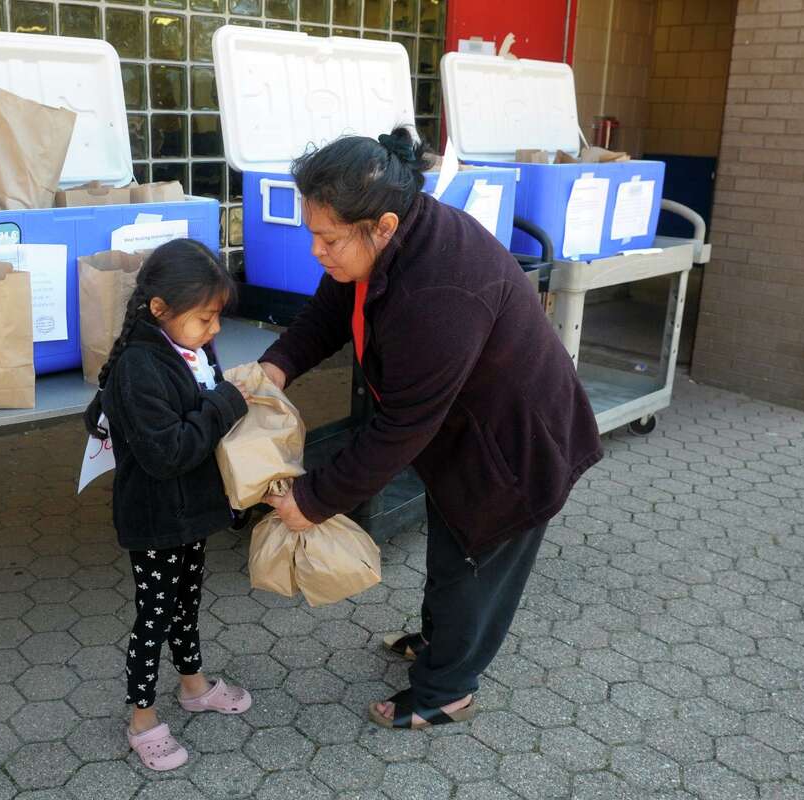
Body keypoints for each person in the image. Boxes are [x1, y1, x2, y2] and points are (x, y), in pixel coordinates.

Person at [257, 127, 603, 730]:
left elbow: (402, 426)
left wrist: (311, 501)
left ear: (383, 225)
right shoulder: (386, 240)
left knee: (476, 557)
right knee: (452, 547)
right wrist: (277, 367)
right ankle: (443, 642)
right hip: (464, 431)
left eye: (328, 238)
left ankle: (448, 687)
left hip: (514, 449)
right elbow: (334, 308)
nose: (318, 249)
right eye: (313, 232)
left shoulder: (440, 289)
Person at [84, 238, 254, 770]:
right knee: (153, 616)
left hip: (193, 510)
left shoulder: (192, 347)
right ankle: (142, 719)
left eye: (217, 318)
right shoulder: (139, 367)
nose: (215, 330)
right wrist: (227, 402)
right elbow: (169, 451)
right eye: (205, 319)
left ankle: (194, 684)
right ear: (160, 310)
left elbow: (205, 405)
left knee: (186, 602)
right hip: (157, 518)